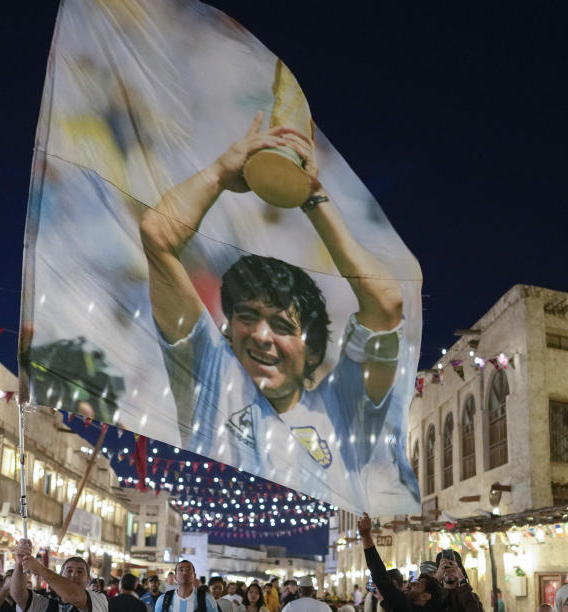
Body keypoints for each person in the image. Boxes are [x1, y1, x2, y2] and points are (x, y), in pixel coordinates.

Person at [140, 113, 420, 510]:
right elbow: (157, 233)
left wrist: (312, 198)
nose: (261, 335)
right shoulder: (209, 374)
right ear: (227, 329)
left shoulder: (338, 404)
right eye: (248, 317)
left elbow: (388, 302)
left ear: (313, 352)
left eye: (283, 325)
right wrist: (220, 173)